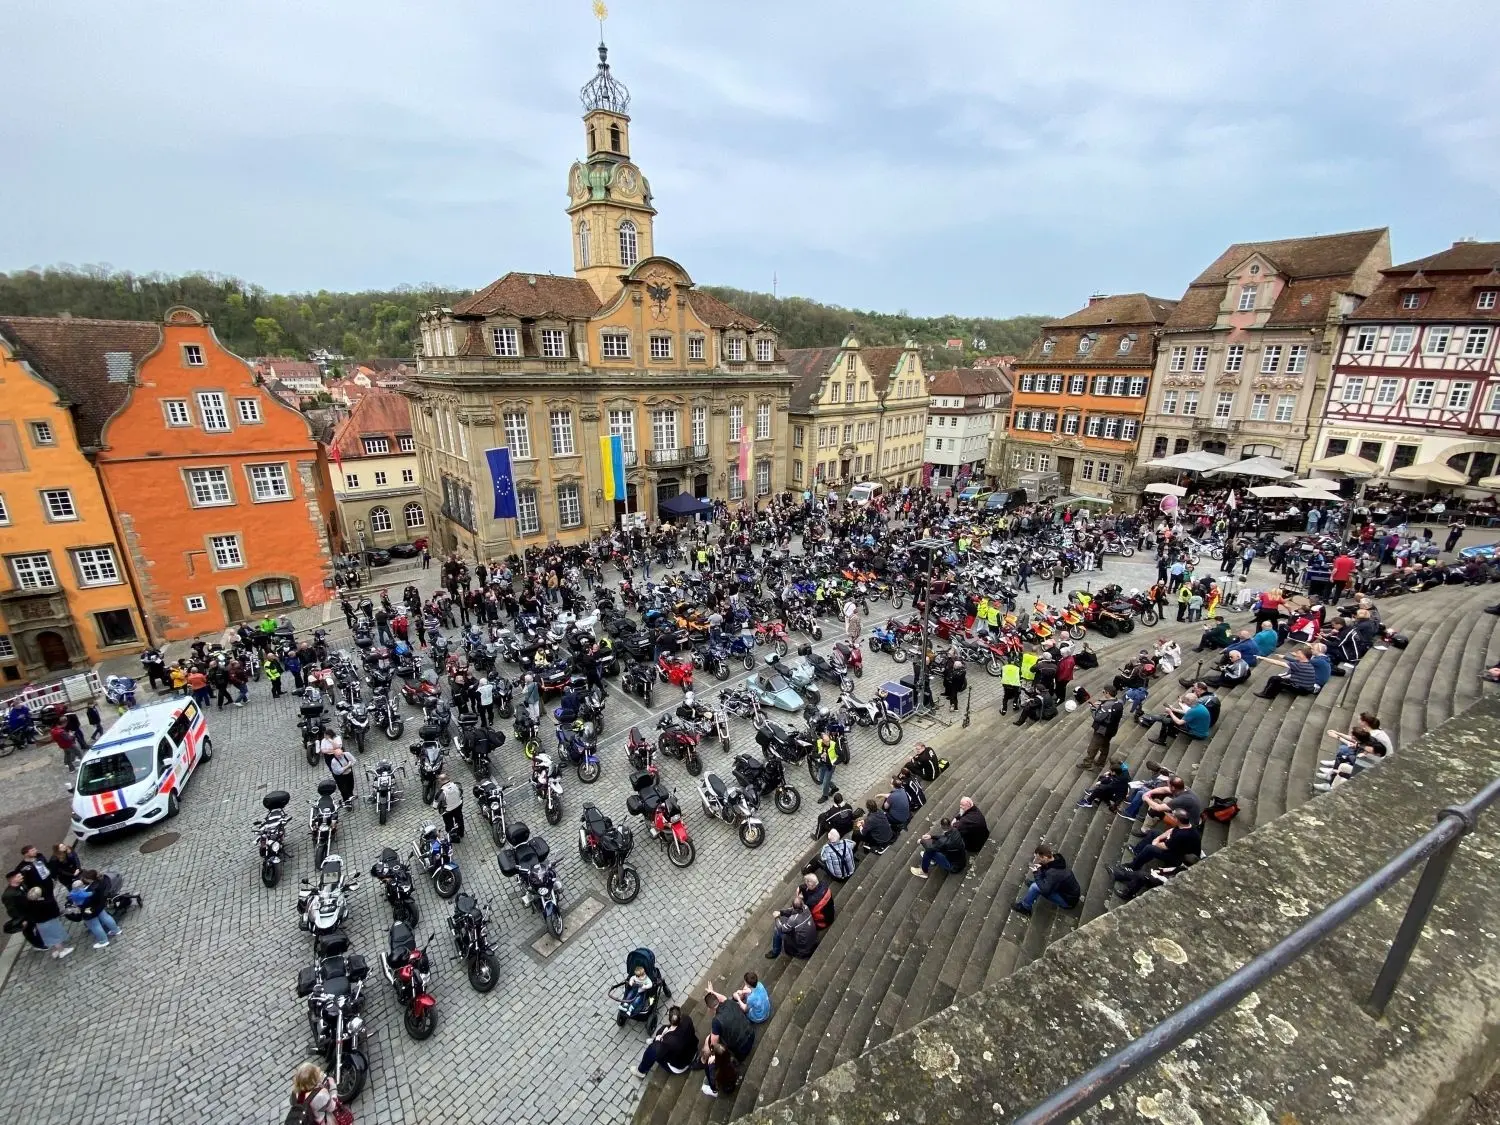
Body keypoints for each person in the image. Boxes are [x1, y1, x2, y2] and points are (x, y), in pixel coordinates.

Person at [1123, 807, 1202, 872]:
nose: (1171, 817)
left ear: (1178, 820)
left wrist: (1155, 843)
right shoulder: (1186, 825)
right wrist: (1158, 838)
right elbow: (1170, 831)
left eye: (1173, 816)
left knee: (1150, 848)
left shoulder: (1181, 835)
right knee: (1154, 832)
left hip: (1179, 858)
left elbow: (1166, 847)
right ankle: (1137, 851)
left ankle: (1133, 867)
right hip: (1177, 847)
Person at [1011, 843, 1080, 916]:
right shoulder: (1057, 858)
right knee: (1042, 875)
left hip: (1067, 901)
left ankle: (1025, 908)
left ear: (1045, 857)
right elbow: (1050, 870)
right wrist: (1042, 866)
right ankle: (1036, 883)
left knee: (1034, 887)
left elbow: (1045, 890)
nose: (1037, 860)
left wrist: (1036, 873)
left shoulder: (1053, 873)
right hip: (1067, 893)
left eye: (1039, 858)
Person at [634, 1005, 697, 1077]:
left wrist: (657, 1041)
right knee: (663, 1031)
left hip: (680, 1065)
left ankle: (641, 1071)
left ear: (669, 1019)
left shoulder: (666, 1041)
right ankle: (655, 1041)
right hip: (692, 1051)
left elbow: (657, 1050)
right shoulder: (687, 1019)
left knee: (653, 1050)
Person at [67, 870, 123, 948]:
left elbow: (85, 898)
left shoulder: (91, 889)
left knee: (94, 925)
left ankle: (103, 941)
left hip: (89, 909)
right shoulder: (101, 881)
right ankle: (116, 930)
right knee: (105, 917)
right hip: (99, 905)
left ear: (89, 879)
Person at [1078, 685, 1124, 770]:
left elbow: (1098, 718)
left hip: (1102, 730)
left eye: (1104, 692)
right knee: (1105, 745)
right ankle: (1101, 762)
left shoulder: (1107, 706)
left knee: (1093, 747)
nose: (1103, 693)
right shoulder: (1119, 702)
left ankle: (1087, 763)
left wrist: (1093, 709)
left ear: (1108, 693)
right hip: (1112, 729)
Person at [1147, 691, 1212, 747]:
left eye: (1185, 700)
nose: (1184, 701)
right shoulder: (1199, 706)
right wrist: (1173, 710)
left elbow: (1179, 722)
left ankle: (1161, 740)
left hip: (1197, 734)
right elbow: (1186, 712)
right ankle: (1171, 732)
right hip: (1200, 729)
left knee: (1165, 721)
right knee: (1175, 714)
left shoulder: (1193, 711)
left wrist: (1170, 712)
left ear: (1189, 702)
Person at [765, 894, 818, 960]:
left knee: (777, 930)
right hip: (811, 940)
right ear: (802, 903)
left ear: (793, 906)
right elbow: (793, 911)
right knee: (785, 919)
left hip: (802, 947)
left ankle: (775, 952)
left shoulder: (793, 919)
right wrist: (781, 913)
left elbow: (781, 929)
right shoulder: (806, 907)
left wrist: (776, 917)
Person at [319, 726, 356, 806]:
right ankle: (346, 800)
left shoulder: (337, 739)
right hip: (332, 758)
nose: (325, 737)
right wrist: (333, 751)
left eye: (326, 735)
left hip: (338, 754)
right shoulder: (323, 741)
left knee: (350, 782)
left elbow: (337, 747)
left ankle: (350, 794)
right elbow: (323, 750)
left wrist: (330, 742)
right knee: (338, 776)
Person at [436, 772, 465, 842]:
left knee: (449, 824)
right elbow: (461, 793)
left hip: (447, 810)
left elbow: (435, 805)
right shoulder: (456, 785)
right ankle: (461, 833)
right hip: (458, 806)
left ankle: (454, 837)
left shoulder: (441, 792)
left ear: (440, 782)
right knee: (459, 819)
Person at [813, 729, 839, 803]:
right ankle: (834, 788)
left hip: (830, 767)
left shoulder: (833, 744)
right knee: (821, 780)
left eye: (829, 740)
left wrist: (835, 763)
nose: (828, 742)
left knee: (825, 783)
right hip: (822, 765)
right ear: (822, 740)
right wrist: (820, 755)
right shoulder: (818, 743)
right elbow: (813, 754)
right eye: (826, 741)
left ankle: (825, 796)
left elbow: (842, 756)